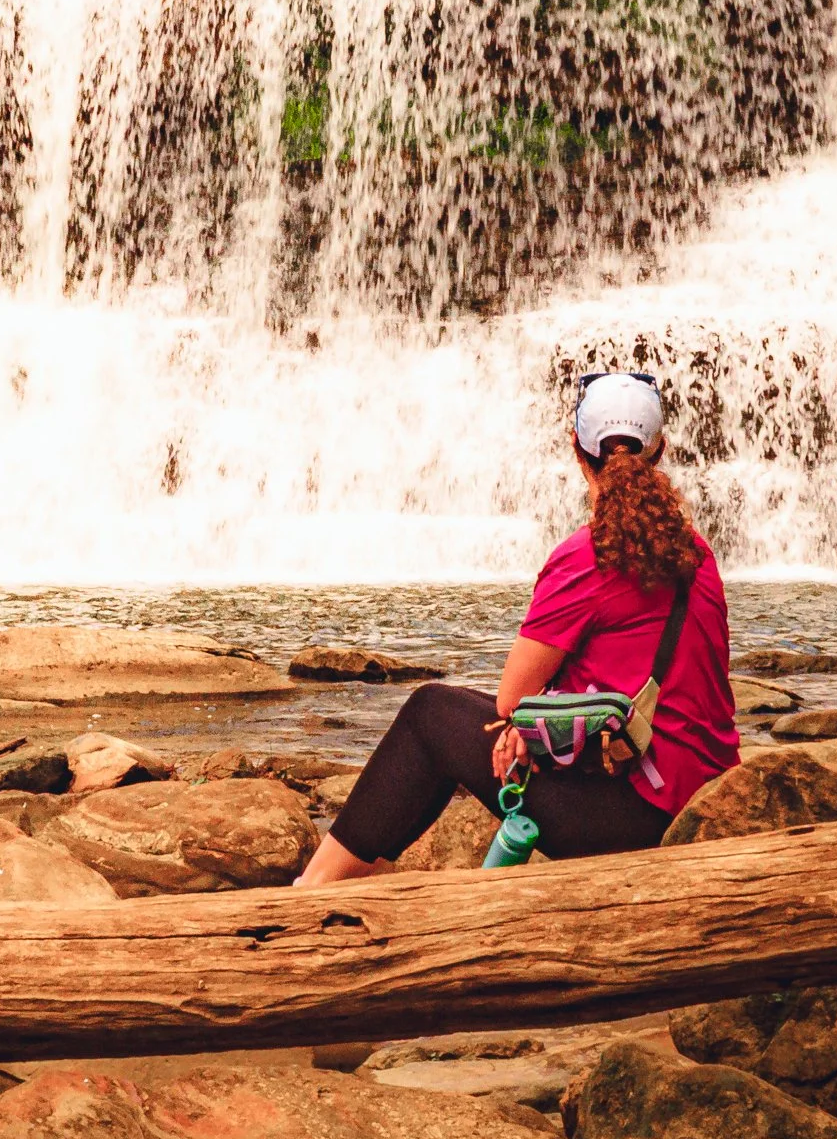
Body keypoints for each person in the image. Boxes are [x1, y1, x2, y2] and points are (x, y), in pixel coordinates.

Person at [296, 371, 738, 886]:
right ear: (659, 451)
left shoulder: (587, 556)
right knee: (463, 712)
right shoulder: (697, 551)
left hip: (631, 812)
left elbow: (511, 700)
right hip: (700, 794)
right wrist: (529, 725)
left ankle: (313, 888)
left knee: (431, 714)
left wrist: (522, 726)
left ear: (578, 449)